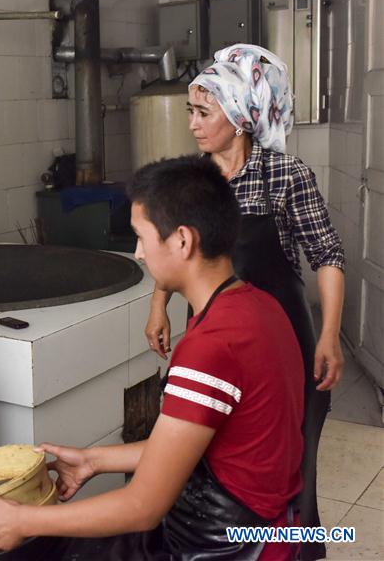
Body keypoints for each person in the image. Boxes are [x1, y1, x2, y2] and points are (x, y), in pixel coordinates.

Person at [0, 156, 304, 560]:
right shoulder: (261, 308)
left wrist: (23, 520)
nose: (137, 253)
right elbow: (206, 448)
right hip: (271, 527)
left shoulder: (211, 347)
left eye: (141, 237)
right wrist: (93, 460)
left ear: (182, 240)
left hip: (231, 545)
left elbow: (142, 508)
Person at [144, 44, 344, 560]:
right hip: (215, 335)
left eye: (203, 112)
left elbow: (327, 255)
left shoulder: (284, 176)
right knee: (213, 456)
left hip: (282, 337)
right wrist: (158, 304)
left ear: (240, 116)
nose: (192, 124)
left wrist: (328, 337)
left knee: (294, 469)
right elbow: (173, 245)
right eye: (191, 111)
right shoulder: (195, 178)